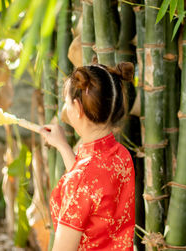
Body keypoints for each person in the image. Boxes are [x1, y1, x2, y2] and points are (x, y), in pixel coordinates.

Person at [40, 62, 136, 251]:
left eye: (66, 103)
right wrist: (62, 146)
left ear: (77, 108)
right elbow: (91, 192)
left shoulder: (81, 179)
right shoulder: (121, 155)